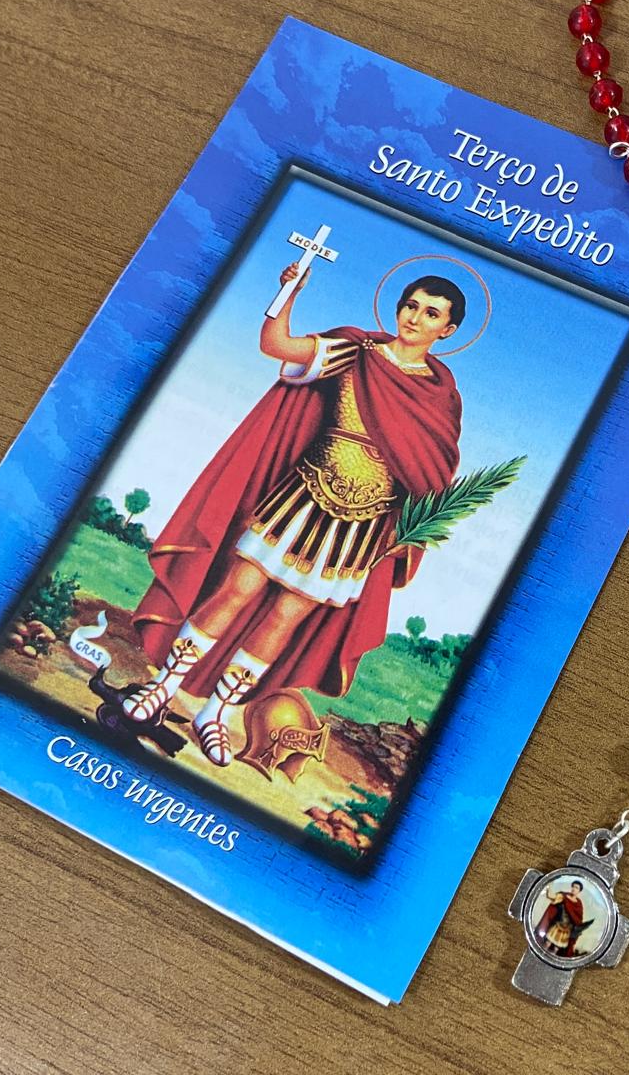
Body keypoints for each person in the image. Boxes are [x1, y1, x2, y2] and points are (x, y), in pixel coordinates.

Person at [123, 260, 464, 767]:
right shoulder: (357, 352)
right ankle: (164, 688)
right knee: (236, 590)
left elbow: (433, 470)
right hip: (302, 497)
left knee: (285, 617)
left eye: (430, 313)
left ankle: (216, 713)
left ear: (447, 330)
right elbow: (276, 345)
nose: (414, 318)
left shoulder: (441, 398)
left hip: (361, 527)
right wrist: (287, 294)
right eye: (410, 305)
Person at [535, 881, 589, 958]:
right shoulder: (563, 896)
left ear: (579, 891)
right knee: (547, 943)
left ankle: (551, 961)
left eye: (576, 888)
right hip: (557, 926)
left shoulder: (578, 904)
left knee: (556, 949)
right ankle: (540, 957)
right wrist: (547, 888)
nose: (574, 889)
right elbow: (552, 897)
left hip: (567, 930)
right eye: (573, 886)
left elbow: (578, 919)